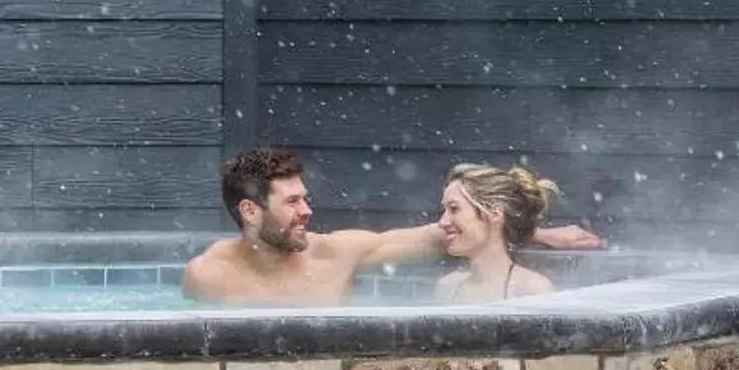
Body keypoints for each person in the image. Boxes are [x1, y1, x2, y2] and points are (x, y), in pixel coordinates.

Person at [183, 147, 596, 306]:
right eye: (292, 202)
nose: (307, 210)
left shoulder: (336, 255)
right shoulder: (207, 277)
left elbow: (434, 237)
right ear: (251, 212)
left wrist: (535, 232)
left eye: (305, 197)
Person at [433, 163, 563, 303]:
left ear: (494, 214)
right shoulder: (448, 288)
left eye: (454, 209)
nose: (443, 222)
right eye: (444, 210)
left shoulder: (532, 290)